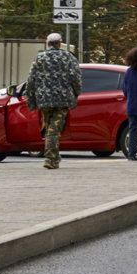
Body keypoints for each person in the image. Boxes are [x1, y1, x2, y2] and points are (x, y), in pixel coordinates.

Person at [25, 32, 82, 170]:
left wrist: (31, 100)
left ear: (48, 43)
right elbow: (76, 78)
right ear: (60, 43)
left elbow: (31, 80)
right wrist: (76, 94)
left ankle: (55, 158)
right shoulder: (68, 57)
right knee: (54, 129)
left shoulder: (40, 58)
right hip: (62, 100)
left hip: (44, 100)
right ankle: (50, 159)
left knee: (50, 127)